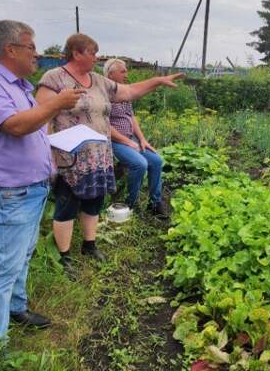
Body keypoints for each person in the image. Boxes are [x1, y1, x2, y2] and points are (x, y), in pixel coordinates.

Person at [36, 34, 183, 276]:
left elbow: (130, 91)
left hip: (98, 155)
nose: (96, 57)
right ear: (76, 53)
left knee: (94, 201)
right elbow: (42, 116)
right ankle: (63, 256)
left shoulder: (98, 81)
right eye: (92, 53)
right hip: (70, 157)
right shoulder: (54, 78)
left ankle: (89, 245)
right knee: (67, 205)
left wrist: (157, 80)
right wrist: (46, 154)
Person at [0, 20, 83, 341]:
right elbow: (16, 126)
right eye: (31, 47)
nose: (37, 55)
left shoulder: (21, 86)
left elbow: (35, 129)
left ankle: (16, 308)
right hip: (12, 191)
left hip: (32, 186)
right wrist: (56, 104)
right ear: (10, 49)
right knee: (7, 263)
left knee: (23, 253)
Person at [104, 58, 167, 217]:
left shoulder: (124, 92)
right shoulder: (104, 93)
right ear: (111, 74)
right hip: (114, 141)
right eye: (123, 71)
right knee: (140, 164)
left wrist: (142, 140)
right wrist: (128, 142)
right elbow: (104, 126)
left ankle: (154, 204)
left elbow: (131, 117)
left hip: (130, 138)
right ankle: (129, 204)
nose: (127, 74)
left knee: (157, 161)